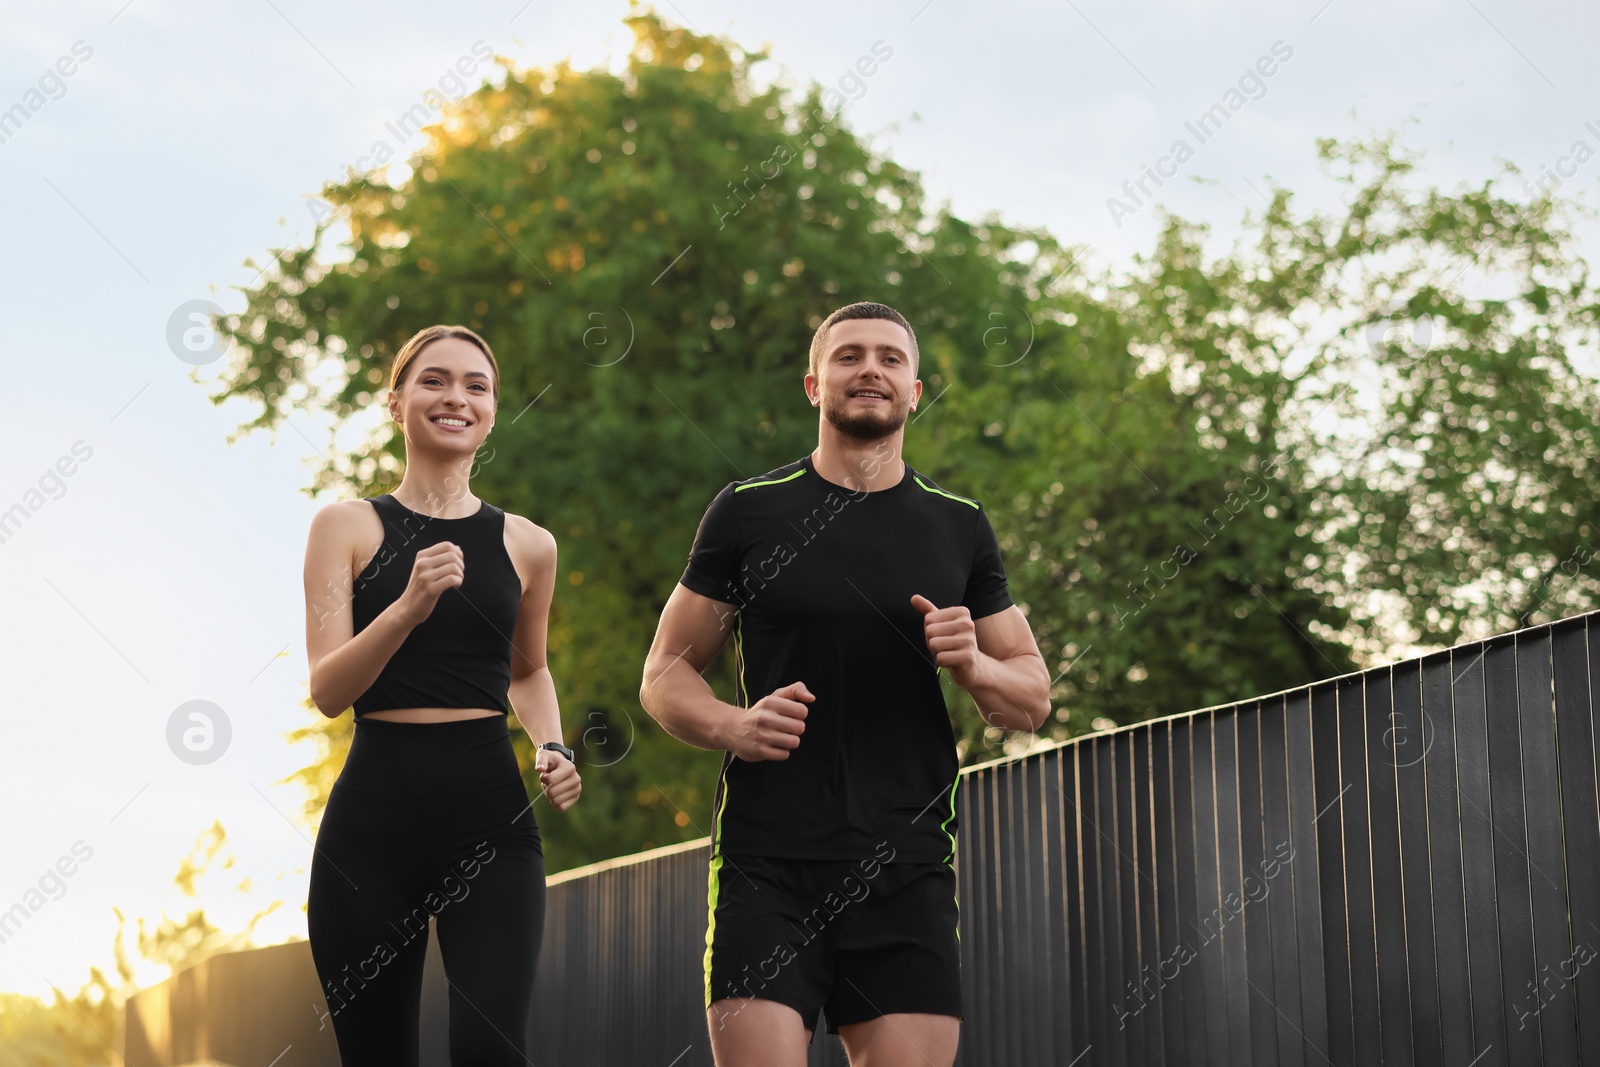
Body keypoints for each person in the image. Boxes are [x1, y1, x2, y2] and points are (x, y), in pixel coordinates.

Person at [640, 302, 1051, 1066]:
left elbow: (1028, 698)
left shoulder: (957, 524)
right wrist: (732, 725)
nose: (871, 369)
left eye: (891, 358)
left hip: (907, 864)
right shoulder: (748, 511)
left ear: (916, 390)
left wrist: (973, 664)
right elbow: (665, 672)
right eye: (850, 355)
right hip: (767, 864)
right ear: (812, 383)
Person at [301, 324, 580, 1066]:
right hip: (371, 826)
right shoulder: (346, 525)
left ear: (490, 411)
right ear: (396, 403)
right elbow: (328, 689)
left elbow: (528, 670)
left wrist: (551, 745)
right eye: (434, 380)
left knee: (492, 1051)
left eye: (475, 385)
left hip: (490, 817)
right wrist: (405, 608)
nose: (455, 395)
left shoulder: (529, 543)